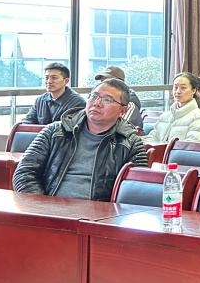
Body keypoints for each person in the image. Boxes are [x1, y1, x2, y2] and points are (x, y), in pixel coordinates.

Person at [13, 78, 148, 201]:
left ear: (123, 111)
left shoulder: (131, 143)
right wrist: (42, 206)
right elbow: (24, 173)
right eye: (94, 96)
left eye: (107, 100)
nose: (97, 103)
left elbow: (135, 190)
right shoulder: (55, 131)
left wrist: (105, 212)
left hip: (101, 215)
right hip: (49, 209)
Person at [144, 72, 200, 143]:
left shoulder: (198, 118)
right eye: (175, 87)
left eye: (183, 88)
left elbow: (194, 146)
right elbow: (152, 138)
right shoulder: (165, 116)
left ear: (193, 90)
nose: (178, 91)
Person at [93, 65, 144, 130]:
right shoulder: (98, 101)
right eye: (102, 82)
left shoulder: (129, 104)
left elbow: (119, 130)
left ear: (120, 83)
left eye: (108, 82)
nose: (103, 85)